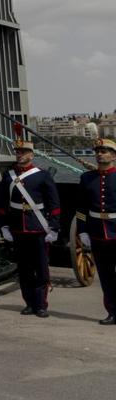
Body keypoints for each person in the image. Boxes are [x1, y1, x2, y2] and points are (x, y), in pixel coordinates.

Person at [0, 128, 59, 317]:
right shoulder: (8, 177)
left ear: (31, 154)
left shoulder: (42, 175)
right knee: (24, 269)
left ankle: (41, 304)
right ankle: (29, 303)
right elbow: (1, 204)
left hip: (38, 228)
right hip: (17, 228)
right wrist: (3, 226)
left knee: (40, 268)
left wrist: (54, 227)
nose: (19, 155)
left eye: (23, 152)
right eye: (17, 152)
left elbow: (54, 204)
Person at [78, 137, 116, 325]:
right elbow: (82, 208)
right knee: (106, 277)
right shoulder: (87, 178)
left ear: (113, 156)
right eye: (98, 151)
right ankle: (112, 312)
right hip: (97, 234)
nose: (100, 154)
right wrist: (82, 230)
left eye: (104, 151)